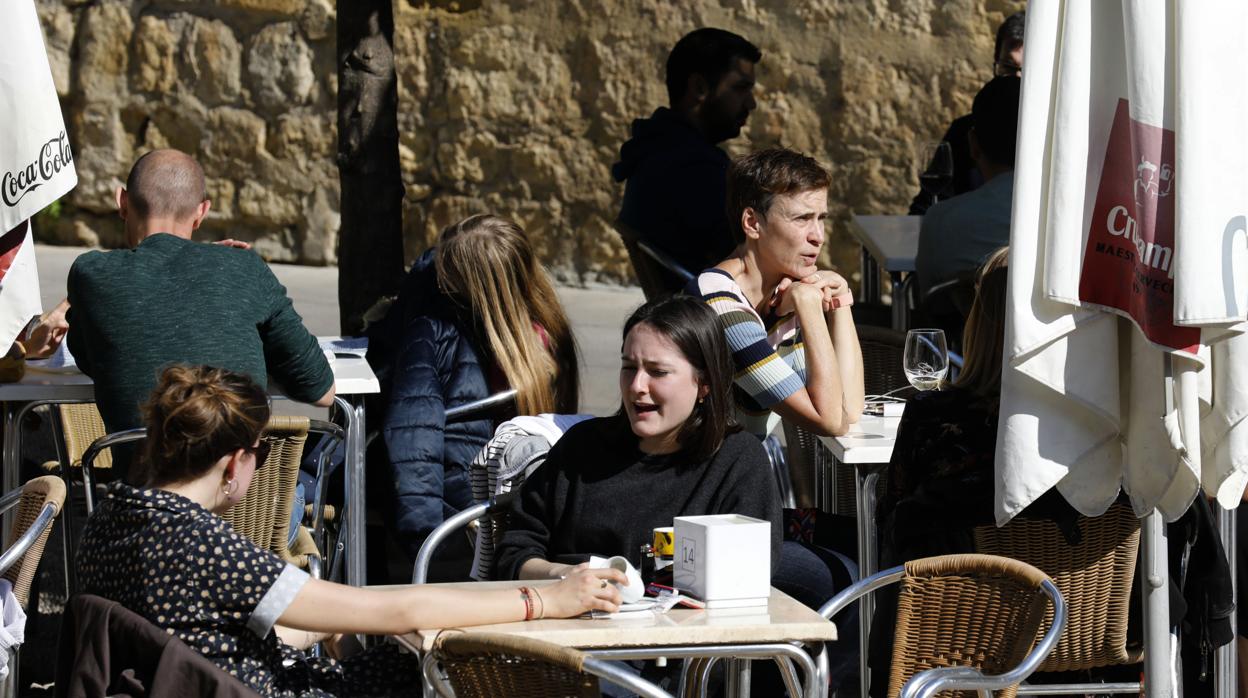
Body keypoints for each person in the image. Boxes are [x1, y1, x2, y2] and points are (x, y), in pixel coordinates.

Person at [76, 365, 627, 697]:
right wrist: (545, 599)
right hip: (248, 690)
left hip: (184, 683)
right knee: (439, 672)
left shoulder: (111, 517)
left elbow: (194, 630)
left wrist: (319, 624)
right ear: (234, 462)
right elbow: (398, 615)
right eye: (261, 454)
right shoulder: (207, 546)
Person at [64, 149, 334, 473]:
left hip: (143, 507)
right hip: (245, 512)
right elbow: (322, 391)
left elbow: (93, 359)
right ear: (202, 212)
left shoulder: (92, 274)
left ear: (122, 201)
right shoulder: (244, 268)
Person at [496, 296, 781, 581]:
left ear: (704, 383)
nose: (636, 386)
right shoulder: (582, 447)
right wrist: (566, 575)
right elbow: (514, 553)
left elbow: (750, 576)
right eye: (629, 367)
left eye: (658, 372)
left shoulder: (738, 462)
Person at [366, 213, 579, 563]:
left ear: (466, 285)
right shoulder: (549, 330)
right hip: (523, 486)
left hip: (456, 502)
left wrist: (425, 541)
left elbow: (414, 436)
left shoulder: (431, 333)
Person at [696, 147, 865, 439]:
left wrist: (840, 300)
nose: (818, 236)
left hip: (741, 469)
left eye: (821, 218)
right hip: (697, 477)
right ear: (752, 223)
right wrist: (809, 306)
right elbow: (830, 421)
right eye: (801, 219)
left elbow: (848, 410)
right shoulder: (721, 307)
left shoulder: (785, 287)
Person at [612, 28, 761, 291]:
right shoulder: (693, 171)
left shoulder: (657, 149)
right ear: (700, 88)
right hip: (713, 319)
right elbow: (750, 258)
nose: (751, 103)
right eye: (740, 88)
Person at [914, 75, 1021, 299]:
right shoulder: (1068, 221)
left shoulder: (939, 221)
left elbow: (923, 300)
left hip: (960, 334)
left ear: (972, 144)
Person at [908, 11, 1025, 215]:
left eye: (1027, 71)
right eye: (1008, 67)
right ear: (995, 63)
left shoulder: (1052, 143)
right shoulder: (965, 130)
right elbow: (924, 208)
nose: (1016, 79)